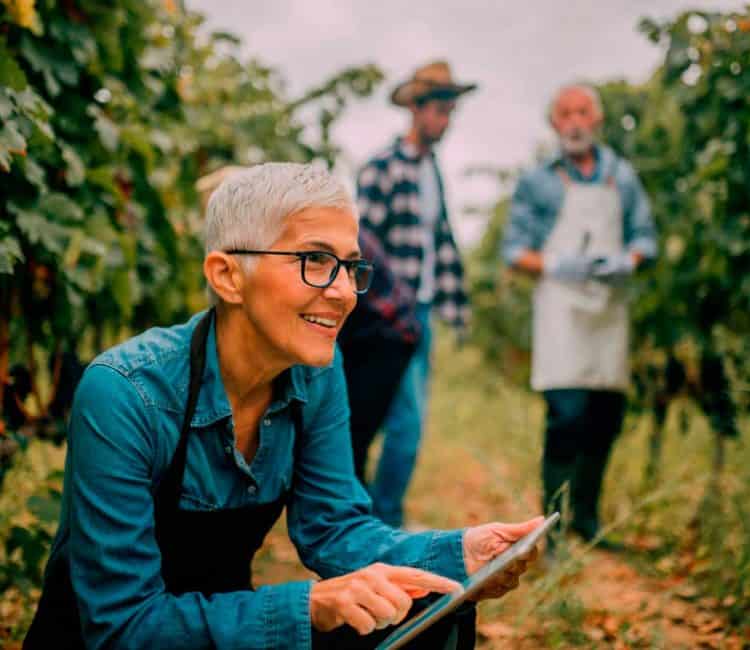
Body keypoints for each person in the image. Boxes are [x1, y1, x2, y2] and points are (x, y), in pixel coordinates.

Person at [25, 163, 542, 650]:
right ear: (228, 276)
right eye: (315, 261)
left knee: (429, 601)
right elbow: (123, 629)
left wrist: (461, 554)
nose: (344, 292)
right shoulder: (126, 393)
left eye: (350, 267)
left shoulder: (317, 372)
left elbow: (333, 528)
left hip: (221, 634)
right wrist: (310, 606)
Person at [502, 84, 658, 546]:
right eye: (564, 113)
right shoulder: (538, 180)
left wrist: (627, 262)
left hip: (608, 311)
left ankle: (586, 521)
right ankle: (549, 527)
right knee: (566, 415)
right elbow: (515, 251)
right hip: (562, 310)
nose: (574, 121)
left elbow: (645, 237)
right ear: (554, 124)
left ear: (597, 120)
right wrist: (557, 264)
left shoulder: (622, 176)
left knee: (605, 415)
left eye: (582, 112)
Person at [357, 61, 475, 527]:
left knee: (400, 419)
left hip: (421, 312)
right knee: (401, 421)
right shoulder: (381, 169)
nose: (445, 121)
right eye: (440, 111)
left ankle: (375, 514)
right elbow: (363, 244)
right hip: (388, 316)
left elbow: (439, 243)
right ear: (417, 109)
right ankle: (381, 519)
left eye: (450, 112)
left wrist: (456, 306)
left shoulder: (432, 172)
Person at [338, 229, 421, 482]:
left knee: (352, 438)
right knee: (349, 438)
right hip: (372, 334)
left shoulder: (341, 235)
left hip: (388, 337)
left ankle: (353, 513)